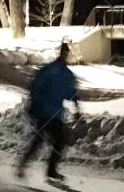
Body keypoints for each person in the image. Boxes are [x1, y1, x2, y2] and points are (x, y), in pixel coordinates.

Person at [17, 42, 78, 182]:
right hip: (47, 112)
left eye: (66, 52)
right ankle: (49, 170)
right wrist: (34, 104)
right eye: (65, 52)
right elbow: (37, 87)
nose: (66, 55)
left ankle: (24, 166)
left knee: (42, 141)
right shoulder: (55, 71)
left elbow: (71, 92)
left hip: (52, 113)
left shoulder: (59, 72)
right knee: (57, 140)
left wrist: (76, 106)